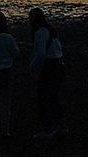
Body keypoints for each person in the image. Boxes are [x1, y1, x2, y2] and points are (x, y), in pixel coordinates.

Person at [26, 8, 66, 138]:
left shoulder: (41, 33)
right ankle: (61, 125)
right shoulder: (51, 31)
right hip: (58, 65)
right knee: (53, 97)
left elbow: (40, 53)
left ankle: (47, 128)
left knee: (43, 98)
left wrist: (32, 68)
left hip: (49, 67)